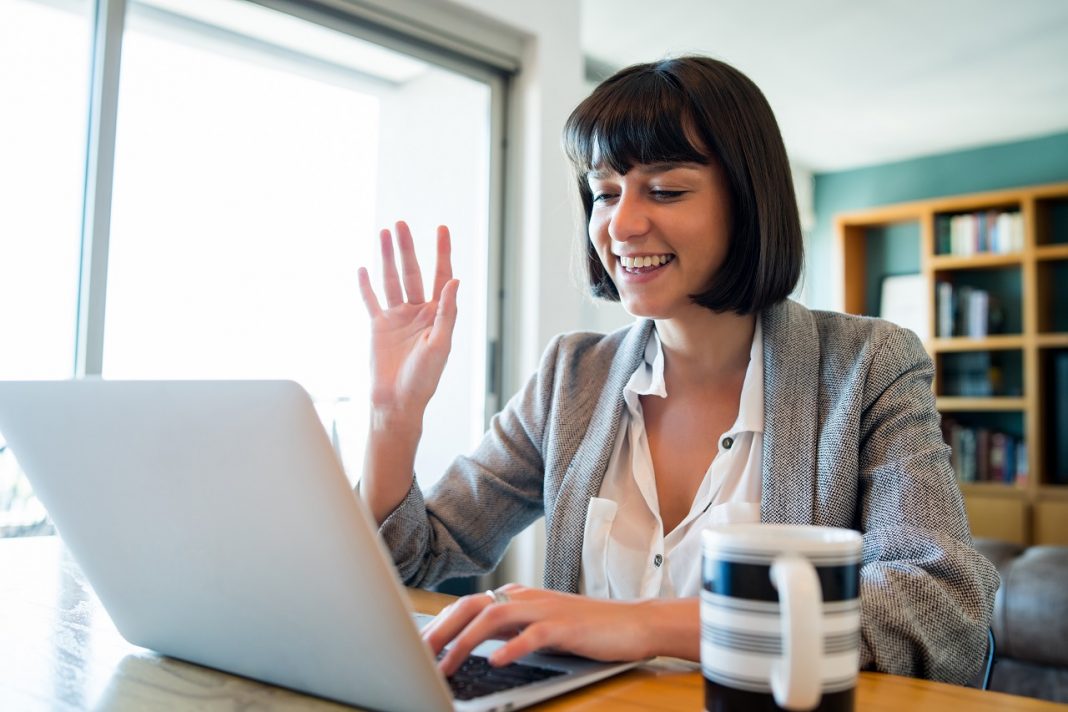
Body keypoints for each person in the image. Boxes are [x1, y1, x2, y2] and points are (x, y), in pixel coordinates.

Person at [356, 56, 998, 685]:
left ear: (748, 202)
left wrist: (646, 625)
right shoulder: (570, 376)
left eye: (666, 190)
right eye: (604, 193)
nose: (622, 224)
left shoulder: (869, 365)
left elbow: (944, 606)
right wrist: (393, 415)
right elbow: (418, 558)